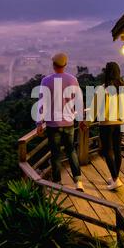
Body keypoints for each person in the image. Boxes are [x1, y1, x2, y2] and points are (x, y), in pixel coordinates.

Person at [36, 53, 84, 192]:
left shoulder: (46, 81)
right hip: (69, 123)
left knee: (55, 154)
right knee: (71, 151)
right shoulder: (73, 80)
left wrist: (39, 123)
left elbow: (41, 103)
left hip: (52, 125)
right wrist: (80, 120)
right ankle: (78, 181)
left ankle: (57, 183)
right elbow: (78, 101)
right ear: (65, 65)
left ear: (53, 65)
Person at [87, 62, 124, 190]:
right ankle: (115, 177)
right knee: (117, 150)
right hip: (120, 122)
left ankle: (116, 179)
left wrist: (87, 122)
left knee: (107, 150)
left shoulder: (102, 88)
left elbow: (94, 109)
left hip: (106, 124)